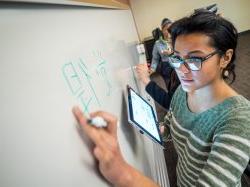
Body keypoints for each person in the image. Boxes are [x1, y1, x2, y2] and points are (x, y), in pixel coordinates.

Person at [72, 11, 250, 187]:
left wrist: (123, 174)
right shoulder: (183, 91)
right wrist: (149, 127)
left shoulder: (239, 119)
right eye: (177, 58)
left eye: (195, 59)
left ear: (225, 58)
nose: (181, 69)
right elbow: (171, 129)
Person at [150, 18, 174, 90]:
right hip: (166, 68)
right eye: (166, 29)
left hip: (177, 65)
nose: (169, 31)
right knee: (169, 88)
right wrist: (152, 70)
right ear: (162, 30)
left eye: (171, 29)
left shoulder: (176, 40)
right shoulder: (158, 43)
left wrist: (172, 53)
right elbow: (155, 59)